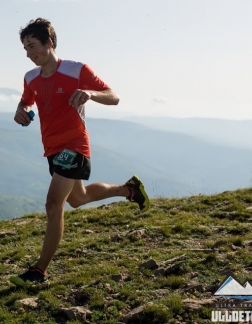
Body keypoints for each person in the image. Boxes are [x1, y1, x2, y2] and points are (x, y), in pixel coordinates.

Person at [9, 18, 150, 287]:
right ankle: (129, 190)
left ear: (50, 43)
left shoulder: (76, 70)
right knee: (78, 198)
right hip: (51, 148)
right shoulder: (31, 78)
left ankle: (39, 272)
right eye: (25, 49)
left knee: (53, 204)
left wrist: (89, 93)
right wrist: (21, 113)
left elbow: (113, 96)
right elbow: (25, 102)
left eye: (33, 46)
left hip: (74, 146)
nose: (29, 54)